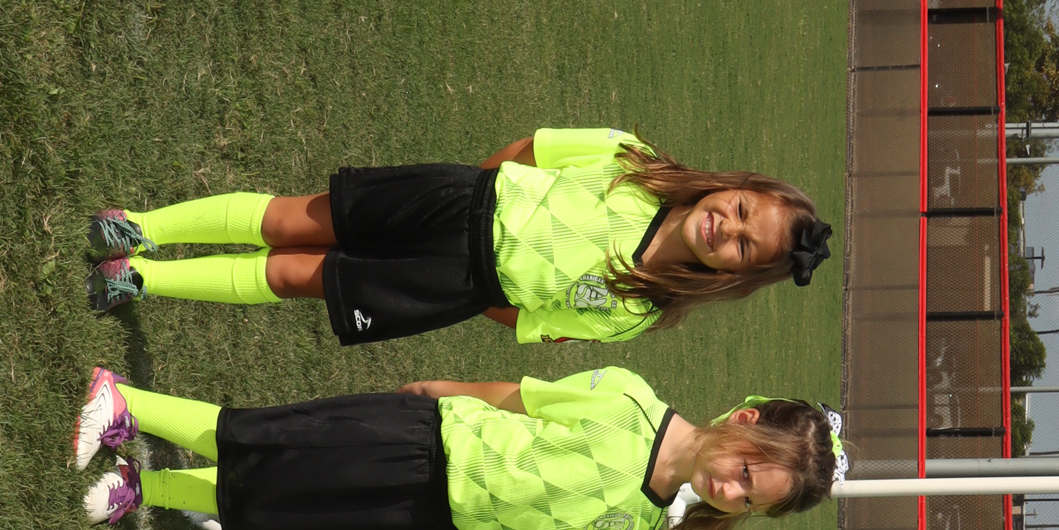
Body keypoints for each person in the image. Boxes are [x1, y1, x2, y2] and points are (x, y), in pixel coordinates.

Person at [81, 129, 832, 344]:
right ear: (737, 185)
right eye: (741, 209)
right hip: (456, 200)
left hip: (453, 285)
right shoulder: (634, 162)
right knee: (292, 219)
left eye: (743, 246)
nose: (727, 227)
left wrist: (471, 282)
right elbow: (533, 149)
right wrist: (473, 194)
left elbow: (528, 320)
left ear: (737, 274)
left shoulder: (638, 309)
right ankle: (143, 227)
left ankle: (141, 279)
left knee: (297, 277)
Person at [67, 361, 836, 530]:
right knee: (278, 446)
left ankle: (146, 486)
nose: (729, 489)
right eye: (746, 470)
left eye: (747, 500)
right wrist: (446, 393)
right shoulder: (631, 399)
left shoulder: (640, 523)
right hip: (427, 444)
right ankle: (124, 401)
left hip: (437, 519)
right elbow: (521, 399)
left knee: (285, 508)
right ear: (743, 422)